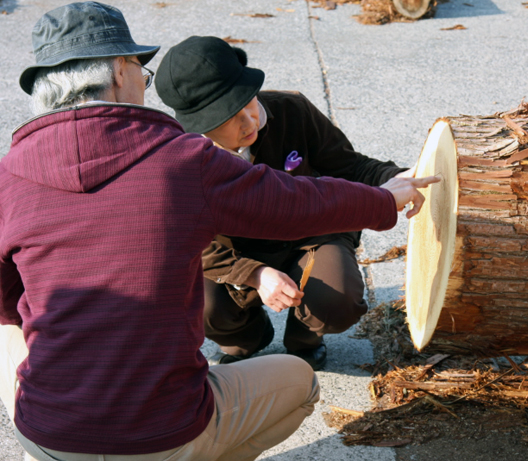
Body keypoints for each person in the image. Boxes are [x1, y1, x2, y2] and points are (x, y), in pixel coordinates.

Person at [0, 2, 438, 460]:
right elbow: (292, 201)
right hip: (167, 436)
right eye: (138, 69)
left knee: (7, 328)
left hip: (46, 436)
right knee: (298, 382)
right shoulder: (179, 159)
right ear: (118, 72)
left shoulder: (7, 177)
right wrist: (384, 201)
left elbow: (7, 303)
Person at [155, 36, 416, 371]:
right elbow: (179, 236)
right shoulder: (179, 157)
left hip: (311, 238)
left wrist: (398, 177)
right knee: (197, 305)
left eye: (247, 103)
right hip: (231, 251)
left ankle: (305, 339)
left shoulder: (291, 109)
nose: (248, 123)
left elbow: (349, 165)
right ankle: (245, 337)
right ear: (198, 126)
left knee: (337, 299)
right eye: (228, 119)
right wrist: (254, 274)